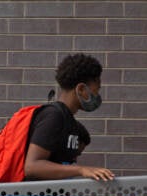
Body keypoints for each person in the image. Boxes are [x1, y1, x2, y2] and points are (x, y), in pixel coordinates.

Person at [24, 53, 115, 181]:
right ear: (81, 89)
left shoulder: (70, 122)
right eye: (97, 89)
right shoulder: (54, 116)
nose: (97, 95)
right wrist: (82, 170)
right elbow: (31, 167)